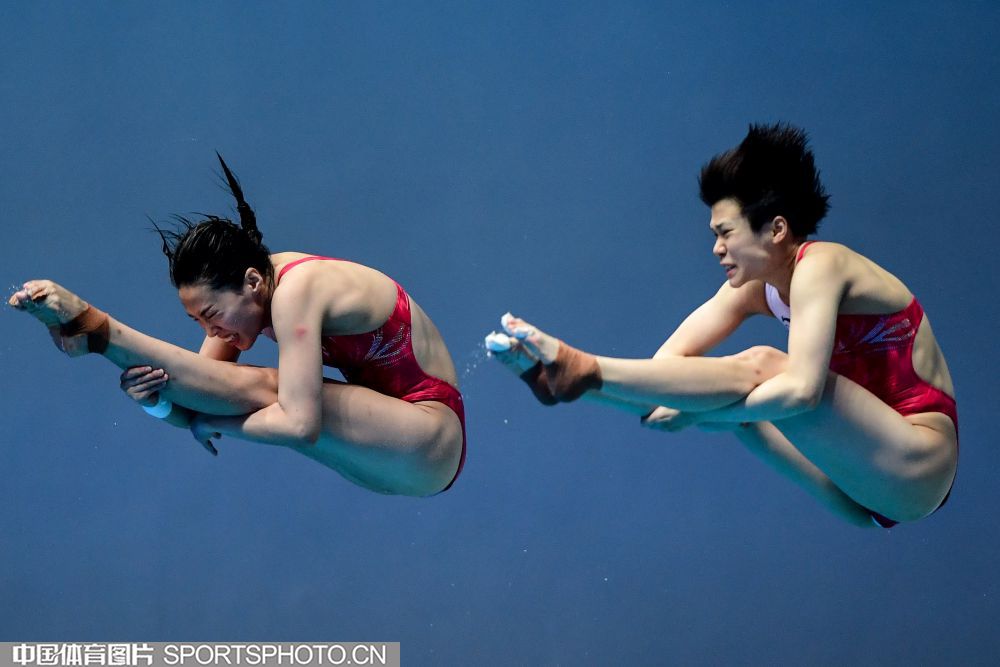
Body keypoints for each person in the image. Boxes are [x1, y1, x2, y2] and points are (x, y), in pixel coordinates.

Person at [489, 123, 957, 527]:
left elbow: (802, 392)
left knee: (767, 367)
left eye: (725, 233)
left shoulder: (822, 265)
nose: (716, 249)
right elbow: (667, 370)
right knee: (724, 405)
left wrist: (697, 413)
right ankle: (571, 384)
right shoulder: (753, 288)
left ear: (776, 229)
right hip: (858, 494)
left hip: (918, 464)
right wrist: (673, 402)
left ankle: (585, 368)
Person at [10, 156, 465, 497]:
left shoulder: (297, 290)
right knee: (234, 389)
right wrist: (156, 402)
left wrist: (213, 420)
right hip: (389, 455)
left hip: (430, 438)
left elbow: (300, 424)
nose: (213, 333)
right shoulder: (253, 293)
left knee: (276, 390)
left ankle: (99, 329)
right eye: (198, 322)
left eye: (212, 316)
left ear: (252, 282)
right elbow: (201, 393)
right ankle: (99, 339)